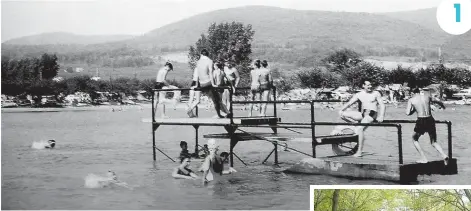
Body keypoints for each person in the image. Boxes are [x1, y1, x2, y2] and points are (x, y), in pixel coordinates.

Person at [338, 80, 385, 157]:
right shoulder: (359, 94)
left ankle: (359, 151)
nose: (370, 86)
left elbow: (382, 105)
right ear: (363, 86)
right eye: (368, 85)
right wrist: (341, 110)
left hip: (372, 113)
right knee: (342, 114)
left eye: (371, 85)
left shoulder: (376, 93)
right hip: (363, 113)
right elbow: (349, 103)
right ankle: (356, 125)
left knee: (360, 129)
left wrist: (381, 116)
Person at [406, 87, 448, 164]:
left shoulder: (411, 100)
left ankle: (424, 158)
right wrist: (442, 107)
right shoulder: (427, 96)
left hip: (421, 120)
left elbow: (407, 113)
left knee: (414, 138)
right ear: (419, 92)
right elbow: (438, 101)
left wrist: (414, 109)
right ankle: (444, 155)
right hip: (430, 119)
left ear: (412, 93)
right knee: (434, 142)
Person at [187, 49, 231, 118]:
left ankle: (190, 109)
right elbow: (210, 72)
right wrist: (213, 83)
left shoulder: (198, 62)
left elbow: (197, 74)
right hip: (208, 82)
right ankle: (227, 113)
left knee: (213, 99)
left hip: (201, 83)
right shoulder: (210, 61)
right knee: (217, 100)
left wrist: (196, 85)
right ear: (207, 55)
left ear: (201, 54)